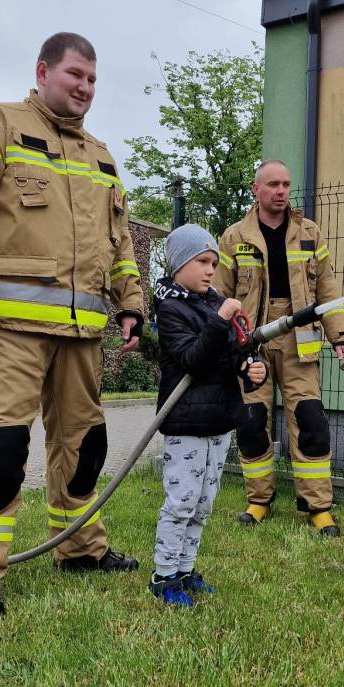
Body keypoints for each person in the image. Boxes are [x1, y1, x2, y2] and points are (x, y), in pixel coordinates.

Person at [0, 32, 144, 619]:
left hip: (83, 337)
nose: (85, 87)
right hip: (7, 330)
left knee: (85, 449)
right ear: (43, 71)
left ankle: (80, 550)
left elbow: (120, 242)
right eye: (75, 74)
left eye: (93, 79)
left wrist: (131, 303)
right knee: (0, 450)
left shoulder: (101, 157)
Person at [214, 160, 344, 536]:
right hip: (251, 342)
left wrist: (340, 337)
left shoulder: (309, 233)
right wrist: (225, 343)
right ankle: (258, 501)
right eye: (273, 184)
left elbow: (327, 289)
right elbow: (220, 296)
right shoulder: (234, 237)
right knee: (252, 421)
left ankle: (318, 507)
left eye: (286, 184)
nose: (281, 191)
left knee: (310, 420)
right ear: (255, 189)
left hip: (299, 340)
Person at [151, 225, 266, 606]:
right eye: (201, 261)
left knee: (203, 504)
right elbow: (192, 360)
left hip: (219, 420)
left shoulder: (213, 302)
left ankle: (185, 570)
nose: (210, 270)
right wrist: (220, 319)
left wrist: (252, 368)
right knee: (182, 501)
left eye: (214, 263)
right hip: (186, 423)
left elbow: (234, 352)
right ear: (178, 264)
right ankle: (164, 577)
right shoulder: (171, 308)